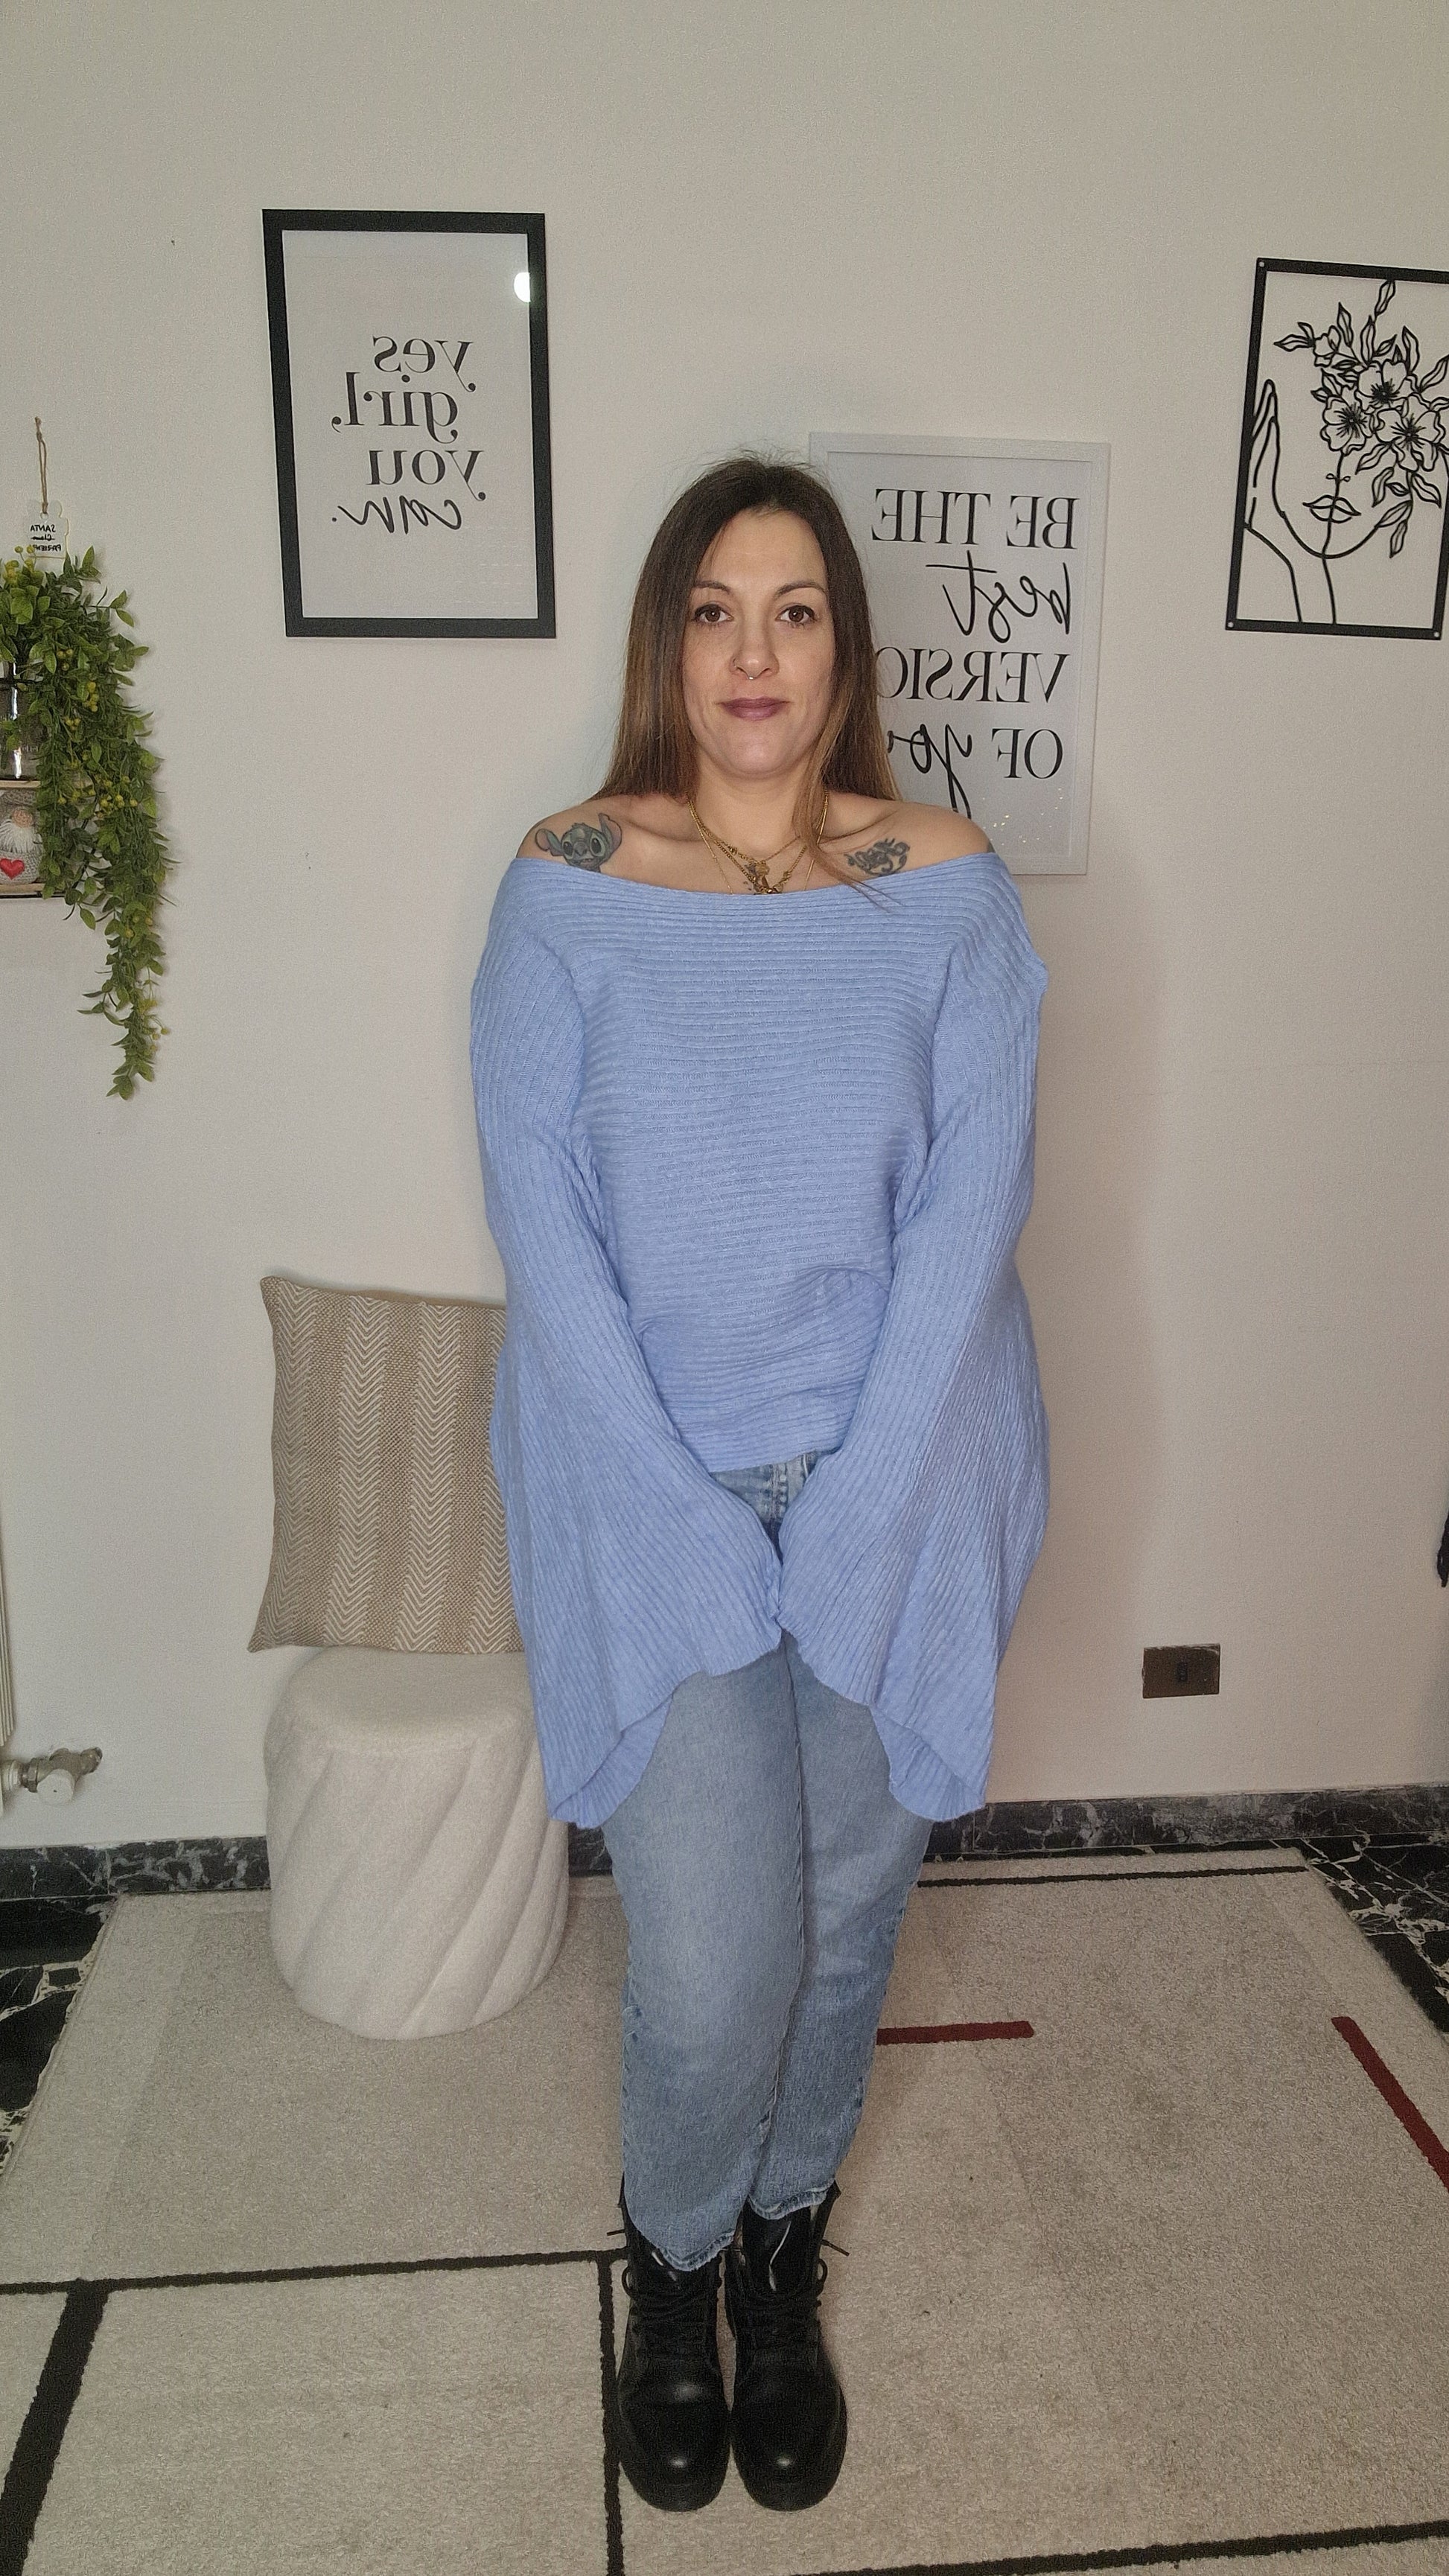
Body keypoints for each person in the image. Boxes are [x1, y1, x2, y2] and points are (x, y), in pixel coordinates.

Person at [469, 456, 1049, 2516]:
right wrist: (690, 1526)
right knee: (716, 1962)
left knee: (844, 1923)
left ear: (842, 651)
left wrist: (868, 1506)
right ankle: (673, 2260)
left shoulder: (945, 885)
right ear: (666, 639)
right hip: (655, 1497)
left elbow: (973, 1213)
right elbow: (543, 1234)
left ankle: (783, 2256)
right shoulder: (564, 883)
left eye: (794, 609)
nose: (752, 652)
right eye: (714, 608)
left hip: (905, 1477)